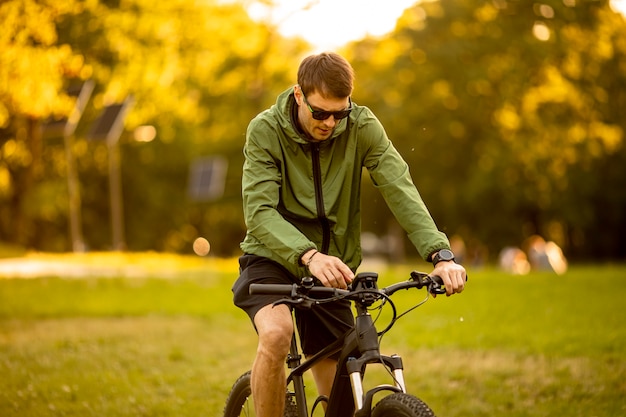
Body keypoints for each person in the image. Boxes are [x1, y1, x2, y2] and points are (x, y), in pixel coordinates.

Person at [232, 52, 466, 417]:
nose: (330, 122)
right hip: (272, 258)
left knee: (341, 392)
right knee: (277, 335)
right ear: (299, 95)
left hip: (334, 265)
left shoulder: (361, 126)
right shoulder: (265, 130)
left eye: (339, 113)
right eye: (321, 112)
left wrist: (440, 254)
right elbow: (259, 212)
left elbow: (398, 187)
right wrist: (308, 256)